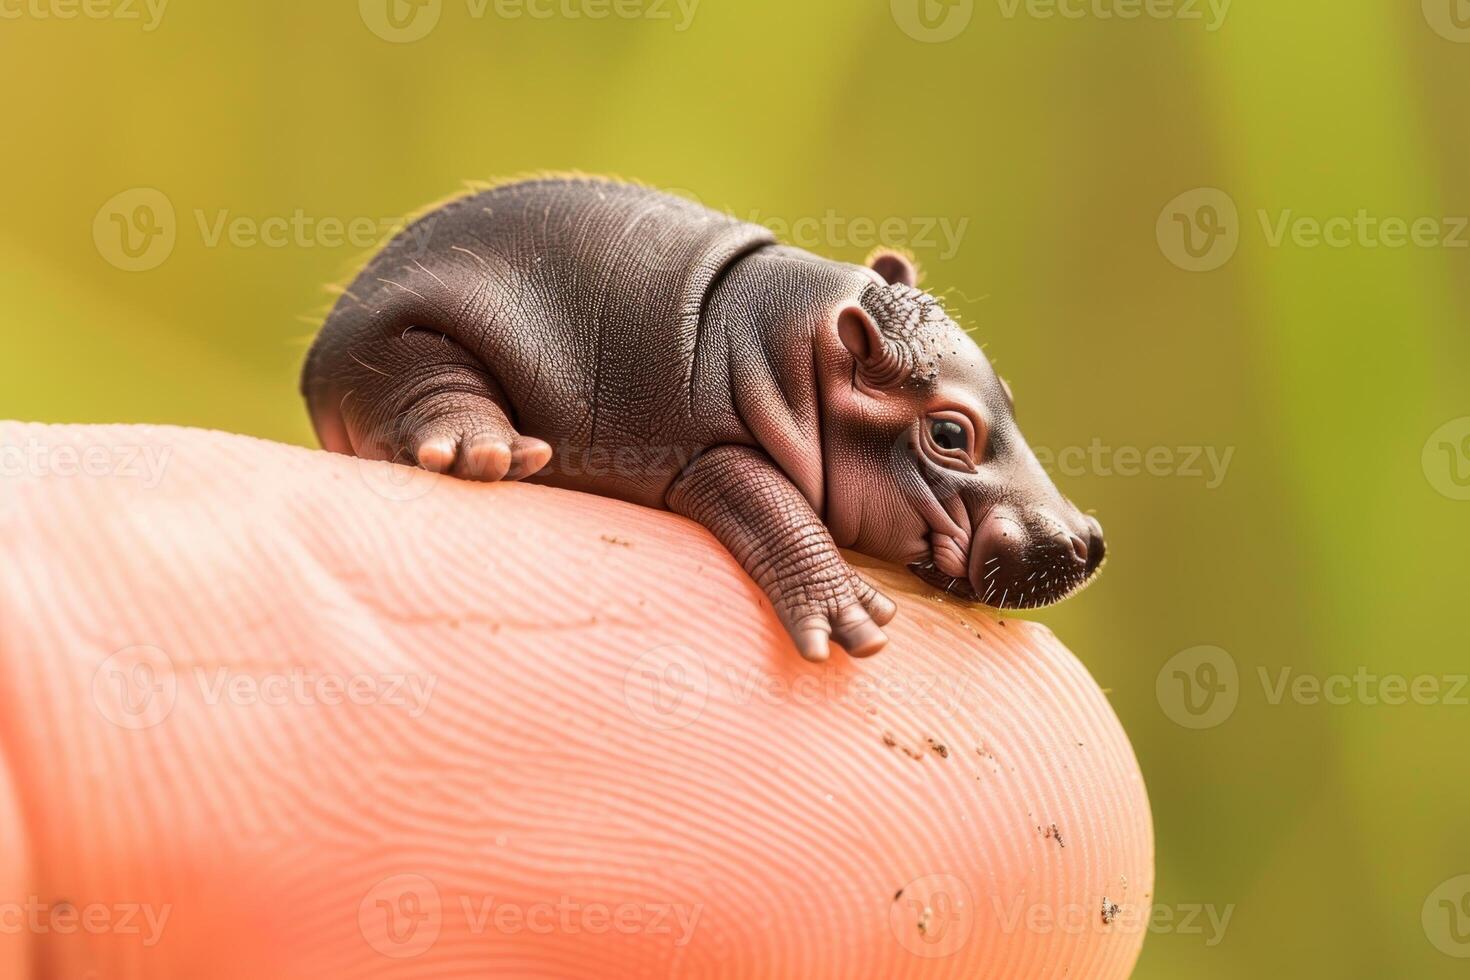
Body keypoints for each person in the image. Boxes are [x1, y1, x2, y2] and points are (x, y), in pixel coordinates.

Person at [0, 422, 1152, 978]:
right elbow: (722, 471)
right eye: (949, 441)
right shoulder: (749, 425)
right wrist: (815, 582)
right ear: (849, 351)